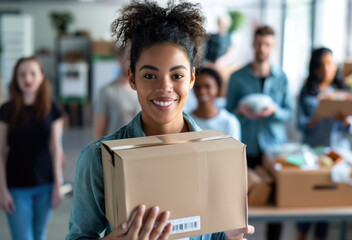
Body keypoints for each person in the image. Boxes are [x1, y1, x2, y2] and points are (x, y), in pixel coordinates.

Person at [66, 1, 254, 240]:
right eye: (149, 75)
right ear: (132, 78)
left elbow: (214, 235)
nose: (164, 87)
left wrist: (232, 236)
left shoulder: (215, 155)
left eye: (177, 75)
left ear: (192, 79)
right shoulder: (97, 160)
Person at [226, 25, 293, 240]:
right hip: (246, 147)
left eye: (267, 44)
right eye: (259, 43)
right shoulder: (237, 77)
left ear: (273, 47)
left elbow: (288, 112)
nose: (262, 48)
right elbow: (227, 110)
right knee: (242, 200)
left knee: (277, 202)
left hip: (273, 148)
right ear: (253, 44)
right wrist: (240, 111)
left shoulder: (281, 77)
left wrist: (274, 112)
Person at [296, 47, 352, 240]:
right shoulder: (307, 91)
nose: (326, 69)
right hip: (313, 153)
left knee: (326, 203)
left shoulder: (345, 92)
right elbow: (300, 124)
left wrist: (347, 121)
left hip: (337, 154)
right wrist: (315, 118)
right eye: (322, 65)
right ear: (315, 67)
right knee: (307, 201)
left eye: (330, 64)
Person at [0, 56, 64, 240]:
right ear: (16, 79)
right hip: (16, 187)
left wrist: (58, 184)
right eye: (22, 74)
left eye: (32, 73)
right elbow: (0, 152)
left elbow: (55, 148)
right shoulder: (6, 110)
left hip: (46, 184)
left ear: (41, 77)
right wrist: (2, 190)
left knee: (39, 236)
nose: (28, 79)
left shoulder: (52, 109)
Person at [93, 43, 141, 139]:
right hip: (115, 150)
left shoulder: (143, 90)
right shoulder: (107, 92)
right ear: (119, 59)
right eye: (128, 58)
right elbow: (98, 132)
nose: (132, 62)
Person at [190, 67, 241, 140]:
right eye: (197, 87)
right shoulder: (187, 121)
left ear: (217, 88)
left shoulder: (229, 122)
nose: (202, 91)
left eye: (207, 86)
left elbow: (236, 151)